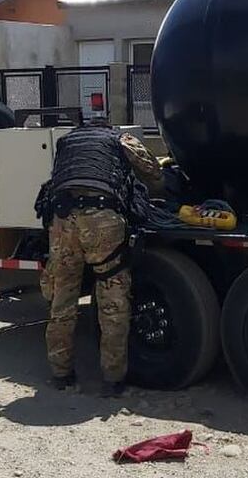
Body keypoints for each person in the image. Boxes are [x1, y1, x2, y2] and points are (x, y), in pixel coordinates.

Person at [37, 115, 164, 397]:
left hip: (61, 219)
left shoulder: (66, 141)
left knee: (63, 297)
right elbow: (152, 171)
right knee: (112, 297)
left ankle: (61, 375)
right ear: (107, 127)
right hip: (101, 219)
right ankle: (112, 379)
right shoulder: (119, 138)